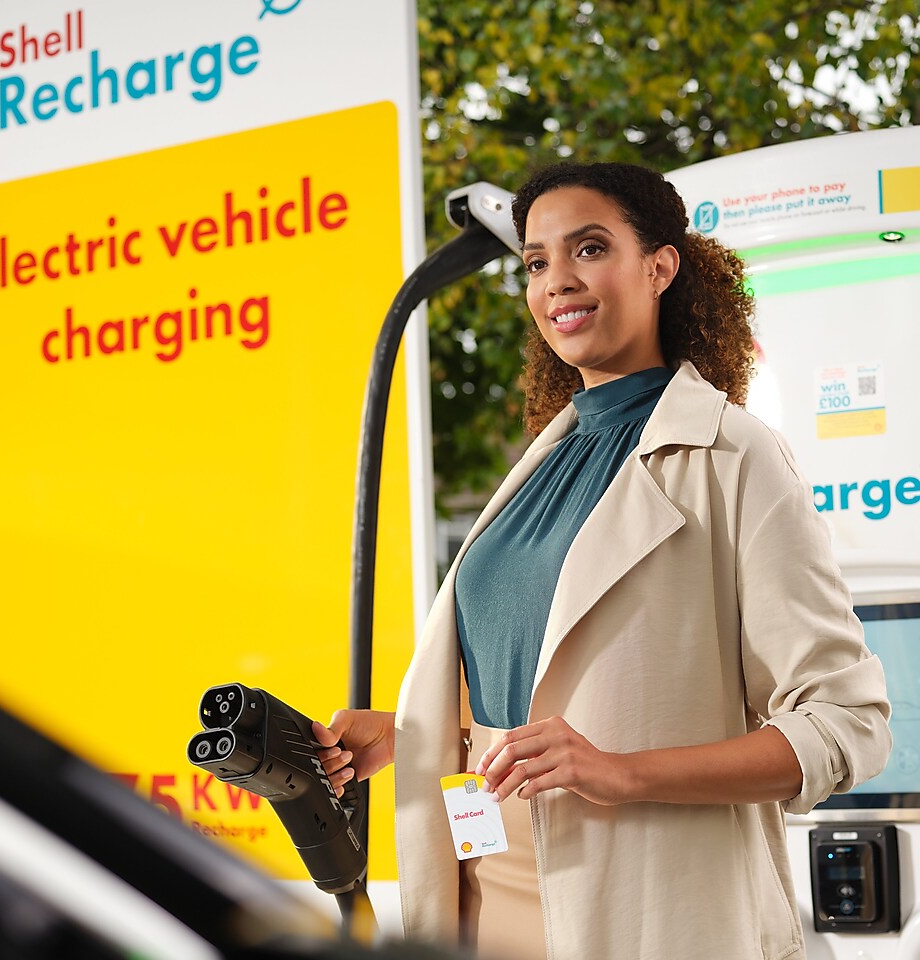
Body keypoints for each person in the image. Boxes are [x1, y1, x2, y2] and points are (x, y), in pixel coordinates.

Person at [313, 161, 892, 960]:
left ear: (659, 266)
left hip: (648, 912)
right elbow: (525, 686)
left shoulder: (735, 457)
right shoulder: (541, 468)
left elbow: (847, 725)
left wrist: (620, 771)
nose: (559, 280)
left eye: (588, 248)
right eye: (538, 262)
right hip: (484, 899)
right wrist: (411, 736)